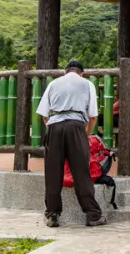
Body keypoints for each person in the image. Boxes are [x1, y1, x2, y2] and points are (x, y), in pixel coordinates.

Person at [37, 60, 106, 228]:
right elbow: (93, 116)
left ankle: (52, 214)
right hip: (76, 127)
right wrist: (85, 135)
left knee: (53, 172)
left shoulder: (54, 83)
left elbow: (44, 114)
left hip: (54, 126)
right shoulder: (87, 84)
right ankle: (92, 215)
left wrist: (53, 129)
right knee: (81, 171)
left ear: (65, 72)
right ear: (82, 73)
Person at [63, 134, 117, 210]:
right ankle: (94, 215)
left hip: (67, 177)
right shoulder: (92, 140)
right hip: (89, 175)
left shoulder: (67, 141)